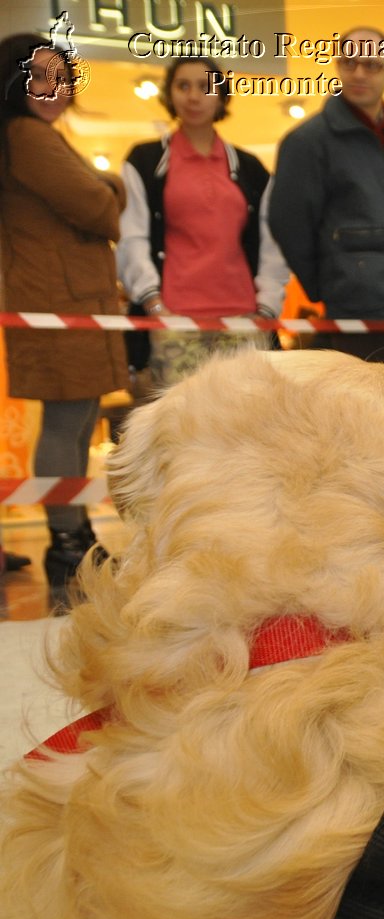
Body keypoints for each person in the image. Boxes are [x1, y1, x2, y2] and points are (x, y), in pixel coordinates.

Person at [0, 33, 128, 587]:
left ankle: (76, 535)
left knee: (75, 423)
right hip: (56, 301)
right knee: (67, 421)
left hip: (67, 299)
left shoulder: (35, 135)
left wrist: (103, 186)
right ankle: (68, 541)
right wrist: (112, 185)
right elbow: (97, 206)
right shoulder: (27, 136)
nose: (55, 88)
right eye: (40, 76)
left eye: (62, 77)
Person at [268, 26, 384, 390]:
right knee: (365, 422)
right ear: (337, 67)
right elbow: (288, 222)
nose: (360, 73)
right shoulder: (308, 141)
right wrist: (330, 282)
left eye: (371, 64)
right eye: (349, 63)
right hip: (357, 308)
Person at [118, 55, 287, 391]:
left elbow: (272, 241)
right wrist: (154, 305)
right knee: (181, 431)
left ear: (221, 96)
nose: (194, 96)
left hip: (242, 319)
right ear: (170, 95)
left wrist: (267, 306)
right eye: (183, 86)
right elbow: (131, 237)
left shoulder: (249, 167)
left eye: (205, 86)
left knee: (246, 427)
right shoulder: (146, 161)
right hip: (175, 320)